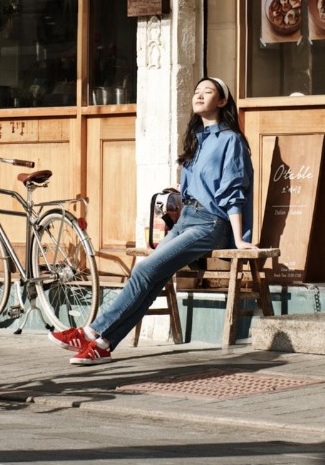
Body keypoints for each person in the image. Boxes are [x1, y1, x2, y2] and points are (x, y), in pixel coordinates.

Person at [50, 76, 254, 365]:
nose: (198, 95)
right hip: (187, 219)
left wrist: (239, 238)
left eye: (207, 92)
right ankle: (104, 345)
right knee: (152, 277)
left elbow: (234, 191)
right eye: (196, 91)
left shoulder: (230, 140)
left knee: (145, 269)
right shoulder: (197, 138)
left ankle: (91, 331)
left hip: (211, 224)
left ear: (222, 101)